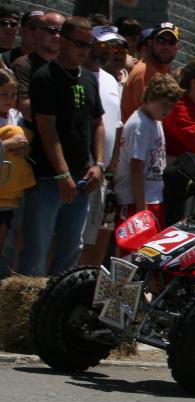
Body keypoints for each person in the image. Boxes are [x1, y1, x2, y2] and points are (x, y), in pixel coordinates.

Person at [19, 15, 104, 277]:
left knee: (70, 253)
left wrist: (99, 164)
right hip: (49, 178)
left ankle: (56, 309)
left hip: (83, 177)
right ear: (63, 41)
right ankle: (26, 313)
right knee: (37, 250)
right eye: (79, 44)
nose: (84, 50)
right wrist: (62, 173)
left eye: (88, 45)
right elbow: (47, 130)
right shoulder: (45, 78)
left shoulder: (90, 78)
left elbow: (98, 124)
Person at [79, 24, 125, 266]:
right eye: (103, 44)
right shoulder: (77, 75)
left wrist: (114, 161)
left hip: (105, 174)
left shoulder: (111, 81)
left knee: (98, 235)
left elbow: (116, 124)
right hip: (83, 171)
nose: (108, 51)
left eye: (113, 45)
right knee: (76, 238)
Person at [114, 73, 181, 226]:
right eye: (164, 104)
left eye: (171, 106)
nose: (167, 110)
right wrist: (141, 210)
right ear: (150, 98)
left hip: (154, 196)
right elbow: (136, 167)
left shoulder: (155, 121)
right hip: (135, 200)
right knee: (134, 249)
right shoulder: (141, 125)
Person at [0, 68, 33, 274]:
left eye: (13, 95)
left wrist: (25, 147)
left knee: (5, 246)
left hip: (10, 197)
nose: (9, 100)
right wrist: (6, 143)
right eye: (4, 94)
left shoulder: (16, 117)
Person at [120, 22, 178, 121]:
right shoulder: (143, 72)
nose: (166, 46)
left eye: (171, 42)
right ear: (150, 43)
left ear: (177, 46)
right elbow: (148, 117)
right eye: (161, 40)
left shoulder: (163, 70)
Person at [11, 10, 63, 121]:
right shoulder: (23, 66)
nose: (58, 36)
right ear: (38, 33)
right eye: (52, 31)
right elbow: (24, 107)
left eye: (62, 32)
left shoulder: (70, 67)